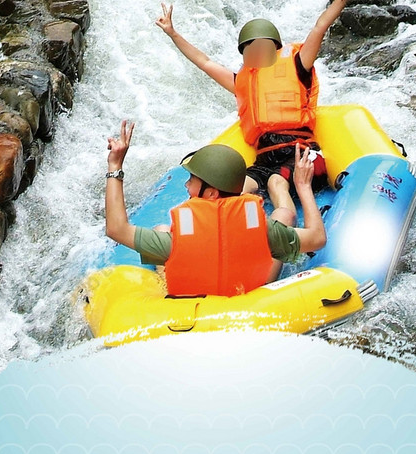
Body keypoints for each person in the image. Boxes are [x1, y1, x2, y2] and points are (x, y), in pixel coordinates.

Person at [156, 1, 348, 222]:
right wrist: (173, 33)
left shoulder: (298, 62)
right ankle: (205, 233)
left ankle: (283, 234)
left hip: (301, 153)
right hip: (265, 159)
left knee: (277, 183)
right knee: (234, 189)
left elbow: (319, 27)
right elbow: (204, 62)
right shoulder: (242, 81)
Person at [105, 120, 327, 297]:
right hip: (252, 296)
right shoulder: (263, 230)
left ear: (211, 192)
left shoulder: (175, 241)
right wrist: (303, 187)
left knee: (163, 228)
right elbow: (317, 238)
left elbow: (116, 228)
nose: (186, 185)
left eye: (192, 180)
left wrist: (115, 166)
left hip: (192, 304)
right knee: (284, 216)